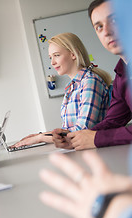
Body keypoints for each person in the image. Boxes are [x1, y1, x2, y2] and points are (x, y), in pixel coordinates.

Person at [52, 0, 131, 151]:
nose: (107, 31)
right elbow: (113, 121)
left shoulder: (90, 80)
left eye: (114, 20)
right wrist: (75, 139)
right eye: (99, 27)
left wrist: (96, 138)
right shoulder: (122, 73)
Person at [13, 32, 111, 148]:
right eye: (51, 57)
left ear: (73, 54)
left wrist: (40, 138)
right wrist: (41, 134)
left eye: (57, 55)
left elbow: (80, 133)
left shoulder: (90, 82)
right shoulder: (72, 87)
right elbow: (67, 130)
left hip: (97, 153)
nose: (52, 62)